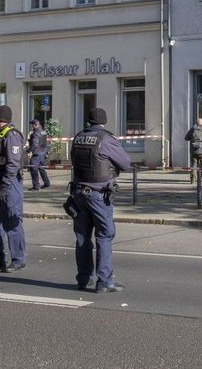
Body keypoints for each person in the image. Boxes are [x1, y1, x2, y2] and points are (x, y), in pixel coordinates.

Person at [69, 108, 131, 292]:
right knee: (104, 235)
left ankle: (83, 278)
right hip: (98, 194)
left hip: (78, 193)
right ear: (104, 121)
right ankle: (104, 281)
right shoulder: (105, 139)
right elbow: (126, 163)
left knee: (82, 237)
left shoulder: (78, 137)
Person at [0, 105, 27, 272]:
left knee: (12, 222)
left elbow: (13, 164)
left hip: (10, 185)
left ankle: (18, 259)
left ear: (0, 119)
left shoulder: (12, 136)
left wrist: (5, 186)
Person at [185, 118, 202, 184]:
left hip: (194, 151)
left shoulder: (192, 129)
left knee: (193, 166)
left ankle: (192, 180)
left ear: (196, 123)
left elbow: (186, 138)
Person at [27, 119, 51, 191]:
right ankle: (47, 183)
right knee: (41, 167)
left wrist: (29, 150)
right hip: (42, 152)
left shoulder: (36, 133)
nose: (32, 127)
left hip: (37, 153)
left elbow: (34, 144)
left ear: (35, 125)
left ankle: (36, 186)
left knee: (33, 168)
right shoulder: (43, 132)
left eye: (32, 125)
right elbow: (46, 143)